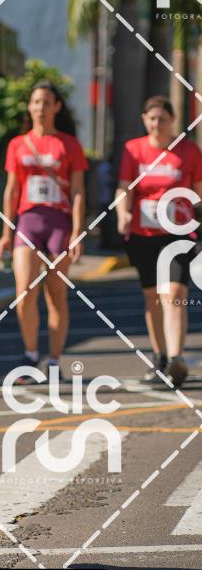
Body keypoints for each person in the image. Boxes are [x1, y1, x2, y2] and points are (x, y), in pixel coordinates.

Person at [0, 81, 87, 380]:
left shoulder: (69, 144)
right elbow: (12, 190)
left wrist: (77, 231)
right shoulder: (18, 144)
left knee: (56, 296)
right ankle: (31, 354)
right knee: (24, 292)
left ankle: (55, 360)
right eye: (36, 102)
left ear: (56, 106)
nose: (40, 108)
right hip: (28, 222)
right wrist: (6, 233)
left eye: (46, 102)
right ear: (29, 106)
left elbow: (78, 191)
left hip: (59, 223)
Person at [116, 95, 202, 388]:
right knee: (152, 297)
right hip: (143, 234)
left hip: (178, 234)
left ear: (172, 120)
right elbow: (124, 187)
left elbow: (199, 193)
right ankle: (160, 356)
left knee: (174, 293)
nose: (157, 124)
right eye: (151, 119)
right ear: (144, 120)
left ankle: (176, 358)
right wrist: (123, 213)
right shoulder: (133, 149)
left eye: (162, 119)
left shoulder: (189, 151)